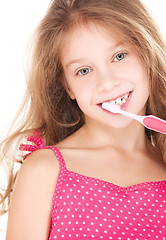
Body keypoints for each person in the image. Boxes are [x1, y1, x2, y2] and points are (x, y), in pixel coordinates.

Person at [0, 0, 166, 239]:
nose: (107, 82)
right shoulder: (45, 171)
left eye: (119, 56)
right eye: (84, 71)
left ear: (147, 54)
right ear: (68, 86)